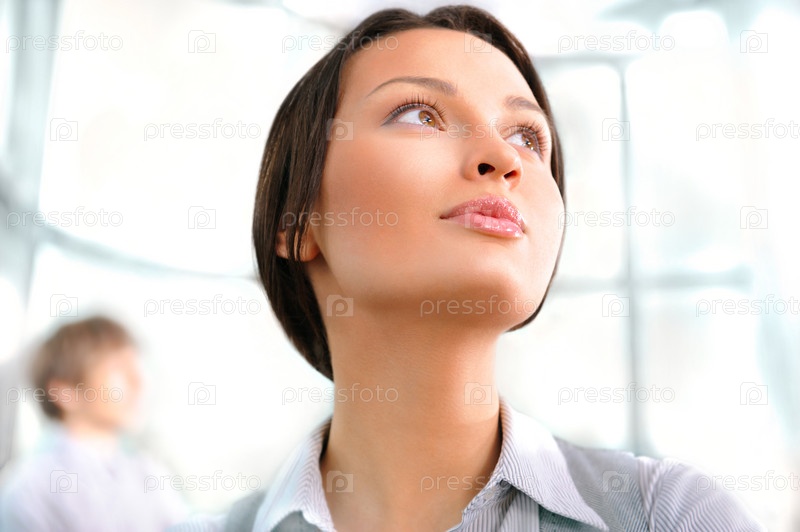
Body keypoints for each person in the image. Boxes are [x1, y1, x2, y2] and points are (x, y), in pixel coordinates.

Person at [173, 5, 764, 531]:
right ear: (298, 220)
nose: (504, 157)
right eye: (418, 114)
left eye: (528, 136)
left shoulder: (670, 514)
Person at [0, 316, 187, 531]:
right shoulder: (31, 492)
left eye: (138, 366)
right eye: (119, 368)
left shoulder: (148, 474)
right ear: (66, 393)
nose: (140, 381)